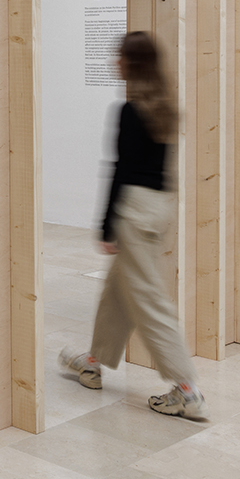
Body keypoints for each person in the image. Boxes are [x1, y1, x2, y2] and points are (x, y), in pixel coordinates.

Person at [59, 31, 207, 420]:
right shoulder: (166, 108)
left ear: (133, 63)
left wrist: (106, 226)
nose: (115, 62)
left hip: (134, 211)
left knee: (148, 300)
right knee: (117, 290)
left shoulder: (129, 110)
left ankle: (187, 389)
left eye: (120, 56)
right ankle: (93, 363)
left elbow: (120, 171)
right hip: (158, 207)